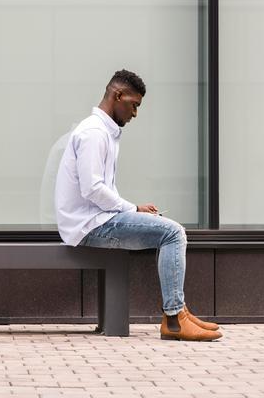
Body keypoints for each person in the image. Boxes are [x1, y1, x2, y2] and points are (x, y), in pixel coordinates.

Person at [54, 69, 221, 342]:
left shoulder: (104, 132)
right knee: (173, 233)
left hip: (96, 220)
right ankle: (174, 318)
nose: (135, 113)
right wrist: (132, 209)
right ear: (118, 95)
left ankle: (180, 312)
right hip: (89, 225)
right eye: (134, 105)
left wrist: (135, 210)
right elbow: (92, 188)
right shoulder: (94, 133)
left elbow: (99, 190)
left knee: (165, 227)